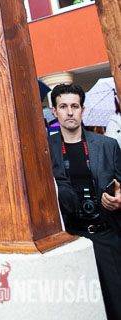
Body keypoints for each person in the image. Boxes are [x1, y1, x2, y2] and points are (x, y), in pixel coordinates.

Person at [49, 83, 121, 320]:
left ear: (82, 109)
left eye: (75, 106)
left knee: (116, 303)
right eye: (63, 107)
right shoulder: (45, 149)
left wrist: (119, 198)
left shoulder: (108, 146)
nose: (69, 112)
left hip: (106, 236)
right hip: (69, 239)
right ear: (54, 111)